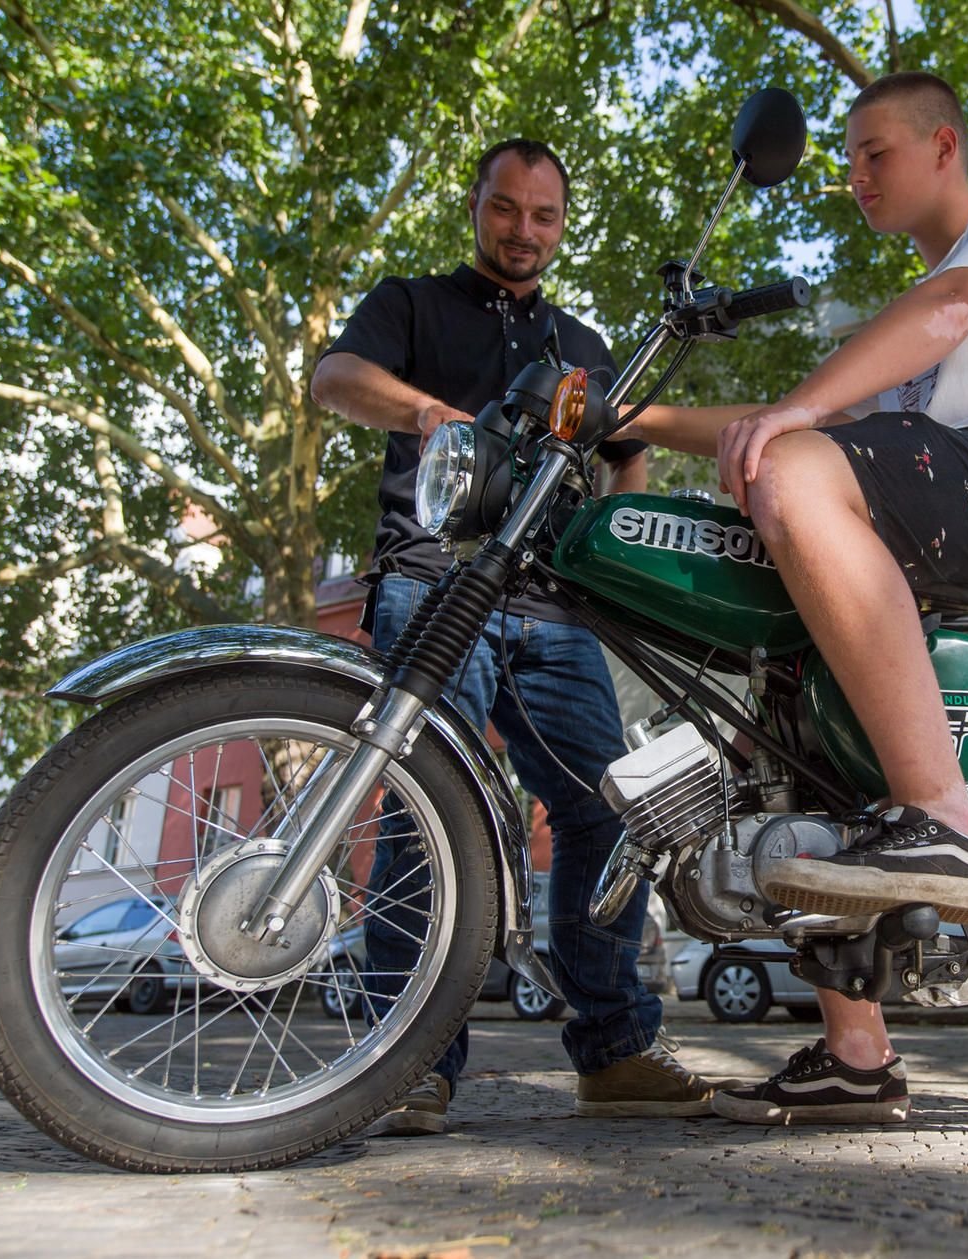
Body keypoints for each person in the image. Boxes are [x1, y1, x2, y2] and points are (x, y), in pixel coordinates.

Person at [626, 72, 968, 1124]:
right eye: (848, 159)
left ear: (944, 146)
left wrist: (796, 421)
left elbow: (942, 316)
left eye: (874, 152)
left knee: (789, 468)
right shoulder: (900, 345)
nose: (853, 176)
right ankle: (857, 1053)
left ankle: (944, 819)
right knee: (790, 707)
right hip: (953, 493)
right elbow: (793, 417)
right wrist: (629, 419)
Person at [309, 138, 718, 1134]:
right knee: (424, 808)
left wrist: (607, 545)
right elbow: (334, 378)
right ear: (475, 205)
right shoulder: (411, 303)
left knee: (606, 809)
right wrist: (428, 412)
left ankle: (615, 1050)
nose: (523, 230)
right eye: (506, 208)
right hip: (432, 579)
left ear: (562, 224)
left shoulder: (583, 343)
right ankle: (409, 1059)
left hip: (554, 604)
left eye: (543, 215)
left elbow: (625, 453)